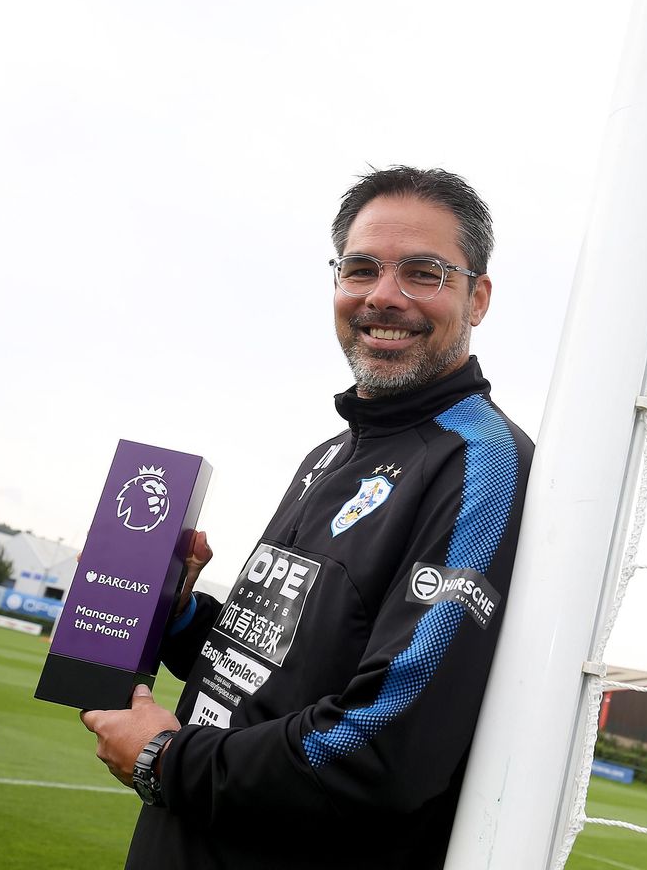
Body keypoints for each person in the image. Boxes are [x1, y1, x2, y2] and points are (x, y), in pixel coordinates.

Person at [80, 166, 534, 870]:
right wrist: (178, 619)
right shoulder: (332, 450)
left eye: (424, 273)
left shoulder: (483, 463)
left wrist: (168, 760)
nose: (384, 295)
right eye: (361, 269)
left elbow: (388, 745)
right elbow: (277, 673)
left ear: (478, 298)